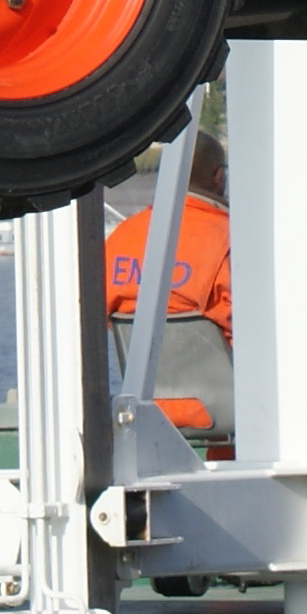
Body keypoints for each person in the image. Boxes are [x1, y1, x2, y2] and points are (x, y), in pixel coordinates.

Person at [105, 137, 232, 444]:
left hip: (144, 408)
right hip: (228, 410)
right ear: (219, 177)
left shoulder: (122, 238)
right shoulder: (232, 240)